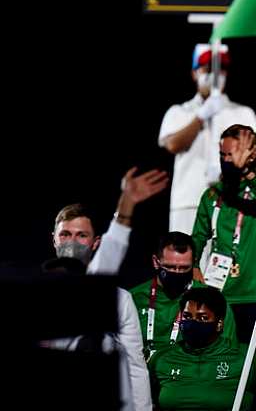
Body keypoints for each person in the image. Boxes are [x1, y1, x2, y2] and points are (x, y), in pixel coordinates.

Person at [47, 167, 168, 411]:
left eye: (82, 235)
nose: (72, 242)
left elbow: (135, 363)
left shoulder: (118, 298)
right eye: (66, 234)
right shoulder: (34, 293)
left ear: (96, 242)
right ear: (54, 239)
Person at [192, 124, 256, 349]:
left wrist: (247, 172)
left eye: (230, 155)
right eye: (222, 154)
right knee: (221, 362)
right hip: (221, 295)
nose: (225, 159)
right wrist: (194, 267)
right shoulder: (212, 195)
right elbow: (198, 237)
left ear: (250, 157)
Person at [159, 44, 256, 234]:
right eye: (208, 69)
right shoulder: (179, 111)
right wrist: (201, 116)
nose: (215, 75)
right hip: (189, 203)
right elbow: (172, 144)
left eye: (220, 69)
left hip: (232, 201)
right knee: (185, 259)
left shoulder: (243, 113)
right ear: (194, 73)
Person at [148, 287, 256, 410]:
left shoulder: (245, 357)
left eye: (203, 318)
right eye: (187, 316)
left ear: (219, 323)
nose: (193, 322)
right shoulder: (162, 359)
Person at [127, 231, 237, 360]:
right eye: (170, 267)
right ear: (156, 262)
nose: (177, 273)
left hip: (188, 373)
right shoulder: (134, 298)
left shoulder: (211, 300)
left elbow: (228, 352)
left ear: (194, 262)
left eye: (184, 268)